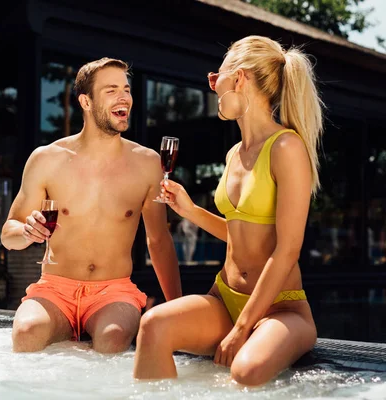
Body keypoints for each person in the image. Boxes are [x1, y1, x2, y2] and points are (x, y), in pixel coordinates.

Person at [133, 35, 322, 386]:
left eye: (214, 78)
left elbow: (287, 249)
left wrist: (242, 327)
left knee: (245, 372)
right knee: (153, 325)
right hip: (224, 297)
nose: (212, 87)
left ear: (239, 78)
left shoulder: (286, 147)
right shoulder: (234, 153)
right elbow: (239, 234)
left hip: (281, 309)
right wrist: (190, 211)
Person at [1, 57, 181, 354]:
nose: (124, 97)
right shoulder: (47, 158)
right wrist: (26, 232)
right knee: (26, 333)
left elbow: (159, 240)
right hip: (54, 288)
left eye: (126, 89)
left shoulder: (147, 163)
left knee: (111, 339)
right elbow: (8, 233)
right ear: (86, 101)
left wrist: (176, 307)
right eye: (111, 90)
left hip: (114, 291)